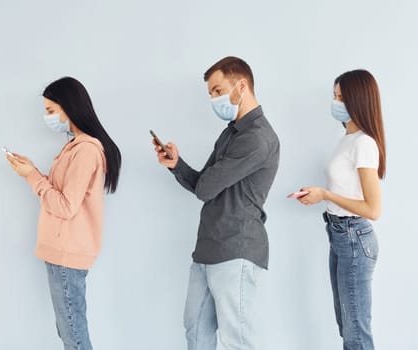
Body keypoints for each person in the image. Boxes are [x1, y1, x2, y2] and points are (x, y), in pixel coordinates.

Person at [152, 56, 280, 350]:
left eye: (218, 90)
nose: (214, 98)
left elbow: (206, 188)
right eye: (211, 93)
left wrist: (204, 180)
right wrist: (176, 165)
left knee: (238, 339)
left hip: (237, 249)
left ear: (242, 86)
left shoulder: (257, 139)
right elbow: (202, 184)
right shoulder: (230, 133)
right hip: (208, 248)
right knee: (195, 331)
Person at [6, 77, 122, 350]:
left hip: (67, 254)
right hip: (62, 253)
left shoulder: (86, 151)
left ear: (69, 108)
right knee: (69, 331)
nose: (47, 118)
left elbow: (65, 206)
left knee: (74, 336)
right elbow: (64, 193)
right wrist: (32, 171)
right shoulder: (74, 147)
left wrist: (32, 176)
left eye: (50, 111)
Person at [295, 69, 386, 349]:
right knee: (346, 326)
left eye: (342, 97)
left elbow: (373, 209)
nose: (335, 102)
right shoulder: (348, 140)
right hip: (339, 235)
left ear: (358, 101)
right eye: (334, 96)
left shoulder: (364, 144)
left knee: (356, 332)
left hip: (353, 237)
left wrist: (325, 194)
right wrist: (320, 195)